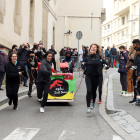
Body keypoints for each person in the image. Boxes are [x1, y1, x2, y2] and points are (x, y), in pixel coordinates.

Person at [82, 44, 100, 114]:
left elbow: (96, 63)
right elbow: (84, 64)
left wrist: (86, 63)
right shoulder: (87, 56)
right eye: (92, 47)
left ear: (96, 49)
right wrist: (84, 70)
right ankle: (88, 107)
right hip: (89, 76)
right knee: (89, 90)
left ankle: (93, 102)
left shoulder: (98, 56)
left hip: (96, 76)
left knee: (93, 91)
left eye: (95, 47)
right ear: (90, 49)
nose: (93, 48)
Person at [129, 39, 140, 103]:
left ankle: (137, 99)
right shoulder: (136, 51)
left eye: (134, 45)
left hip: (138, 71)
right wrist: (131, 60)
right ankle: (135, 98)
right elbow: (136, 61)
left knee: (138, 86)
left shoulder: (138, 51)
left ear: (137, 44)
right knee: (135, 85)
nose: (133, 46)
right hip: (135, 70)